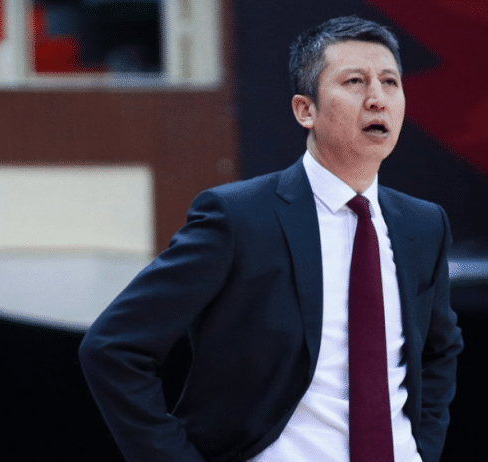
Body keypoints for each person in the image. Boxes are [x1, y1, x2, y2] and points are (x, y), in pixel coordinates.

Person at [79, 15, 463, 462]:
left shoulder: (423, 224)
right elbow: (112, 347)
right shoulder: (238, 218)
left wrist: (422, 448)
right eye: (355, 81)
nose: (377, 98)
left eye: (390, 82)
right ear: (305, 110)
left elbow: (439, 350)